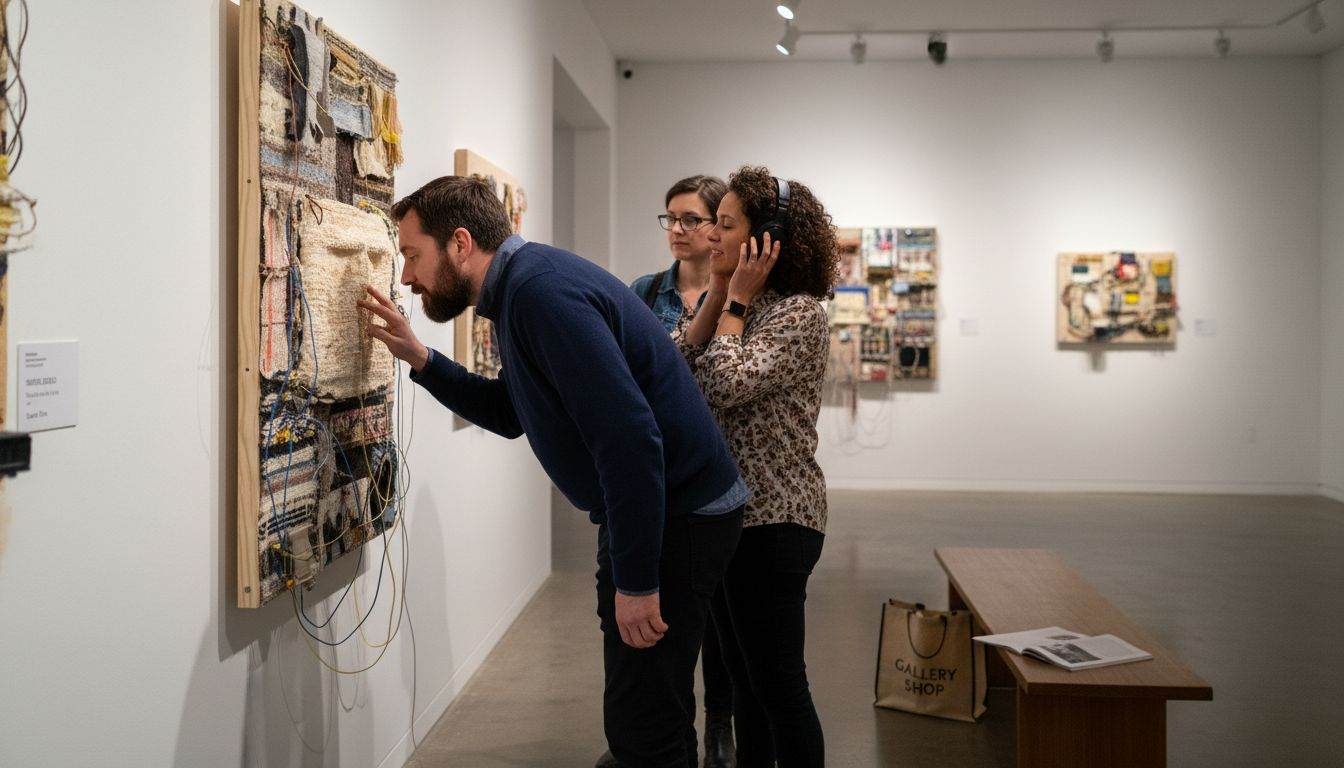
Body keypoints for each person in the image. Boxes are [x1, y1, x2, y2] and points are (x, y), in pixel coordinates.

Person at [358, 175, 749, 767]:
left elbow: (631, 440)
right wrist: (421, 358)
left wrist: (637, 581)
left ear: (460, 243)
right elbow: (512, 412)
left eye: (413, 255)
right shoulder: (521, 289)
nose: (407, 277)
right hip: (656, 508)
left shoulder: (539, 294)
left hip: (679, 514)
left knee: (648, 720)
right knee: (642, 701)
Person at [675, 166, 839, 767]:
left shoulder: (798, 314)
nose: (709, 235)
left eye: (725, 225)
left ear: (767, 238)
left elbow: (723, 384)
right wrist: (721, 293)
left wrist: (735, 299)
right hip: (732, 519)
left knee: (779, 687)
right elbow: (674, 368)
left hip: (777, 520)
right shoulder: (737, 305)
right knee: (745, 683)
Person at [600, 175, 735, 768]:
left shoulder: (740, 294)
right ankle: (668, 732)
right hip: (661, 464)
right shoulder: (644, 291)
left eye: (690, 219)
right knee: (669, 627)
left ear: (717, 225)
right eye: (670, 218)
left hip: (721, 465)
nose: (676, 230)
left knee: (720, 621)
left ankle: (720, 725)